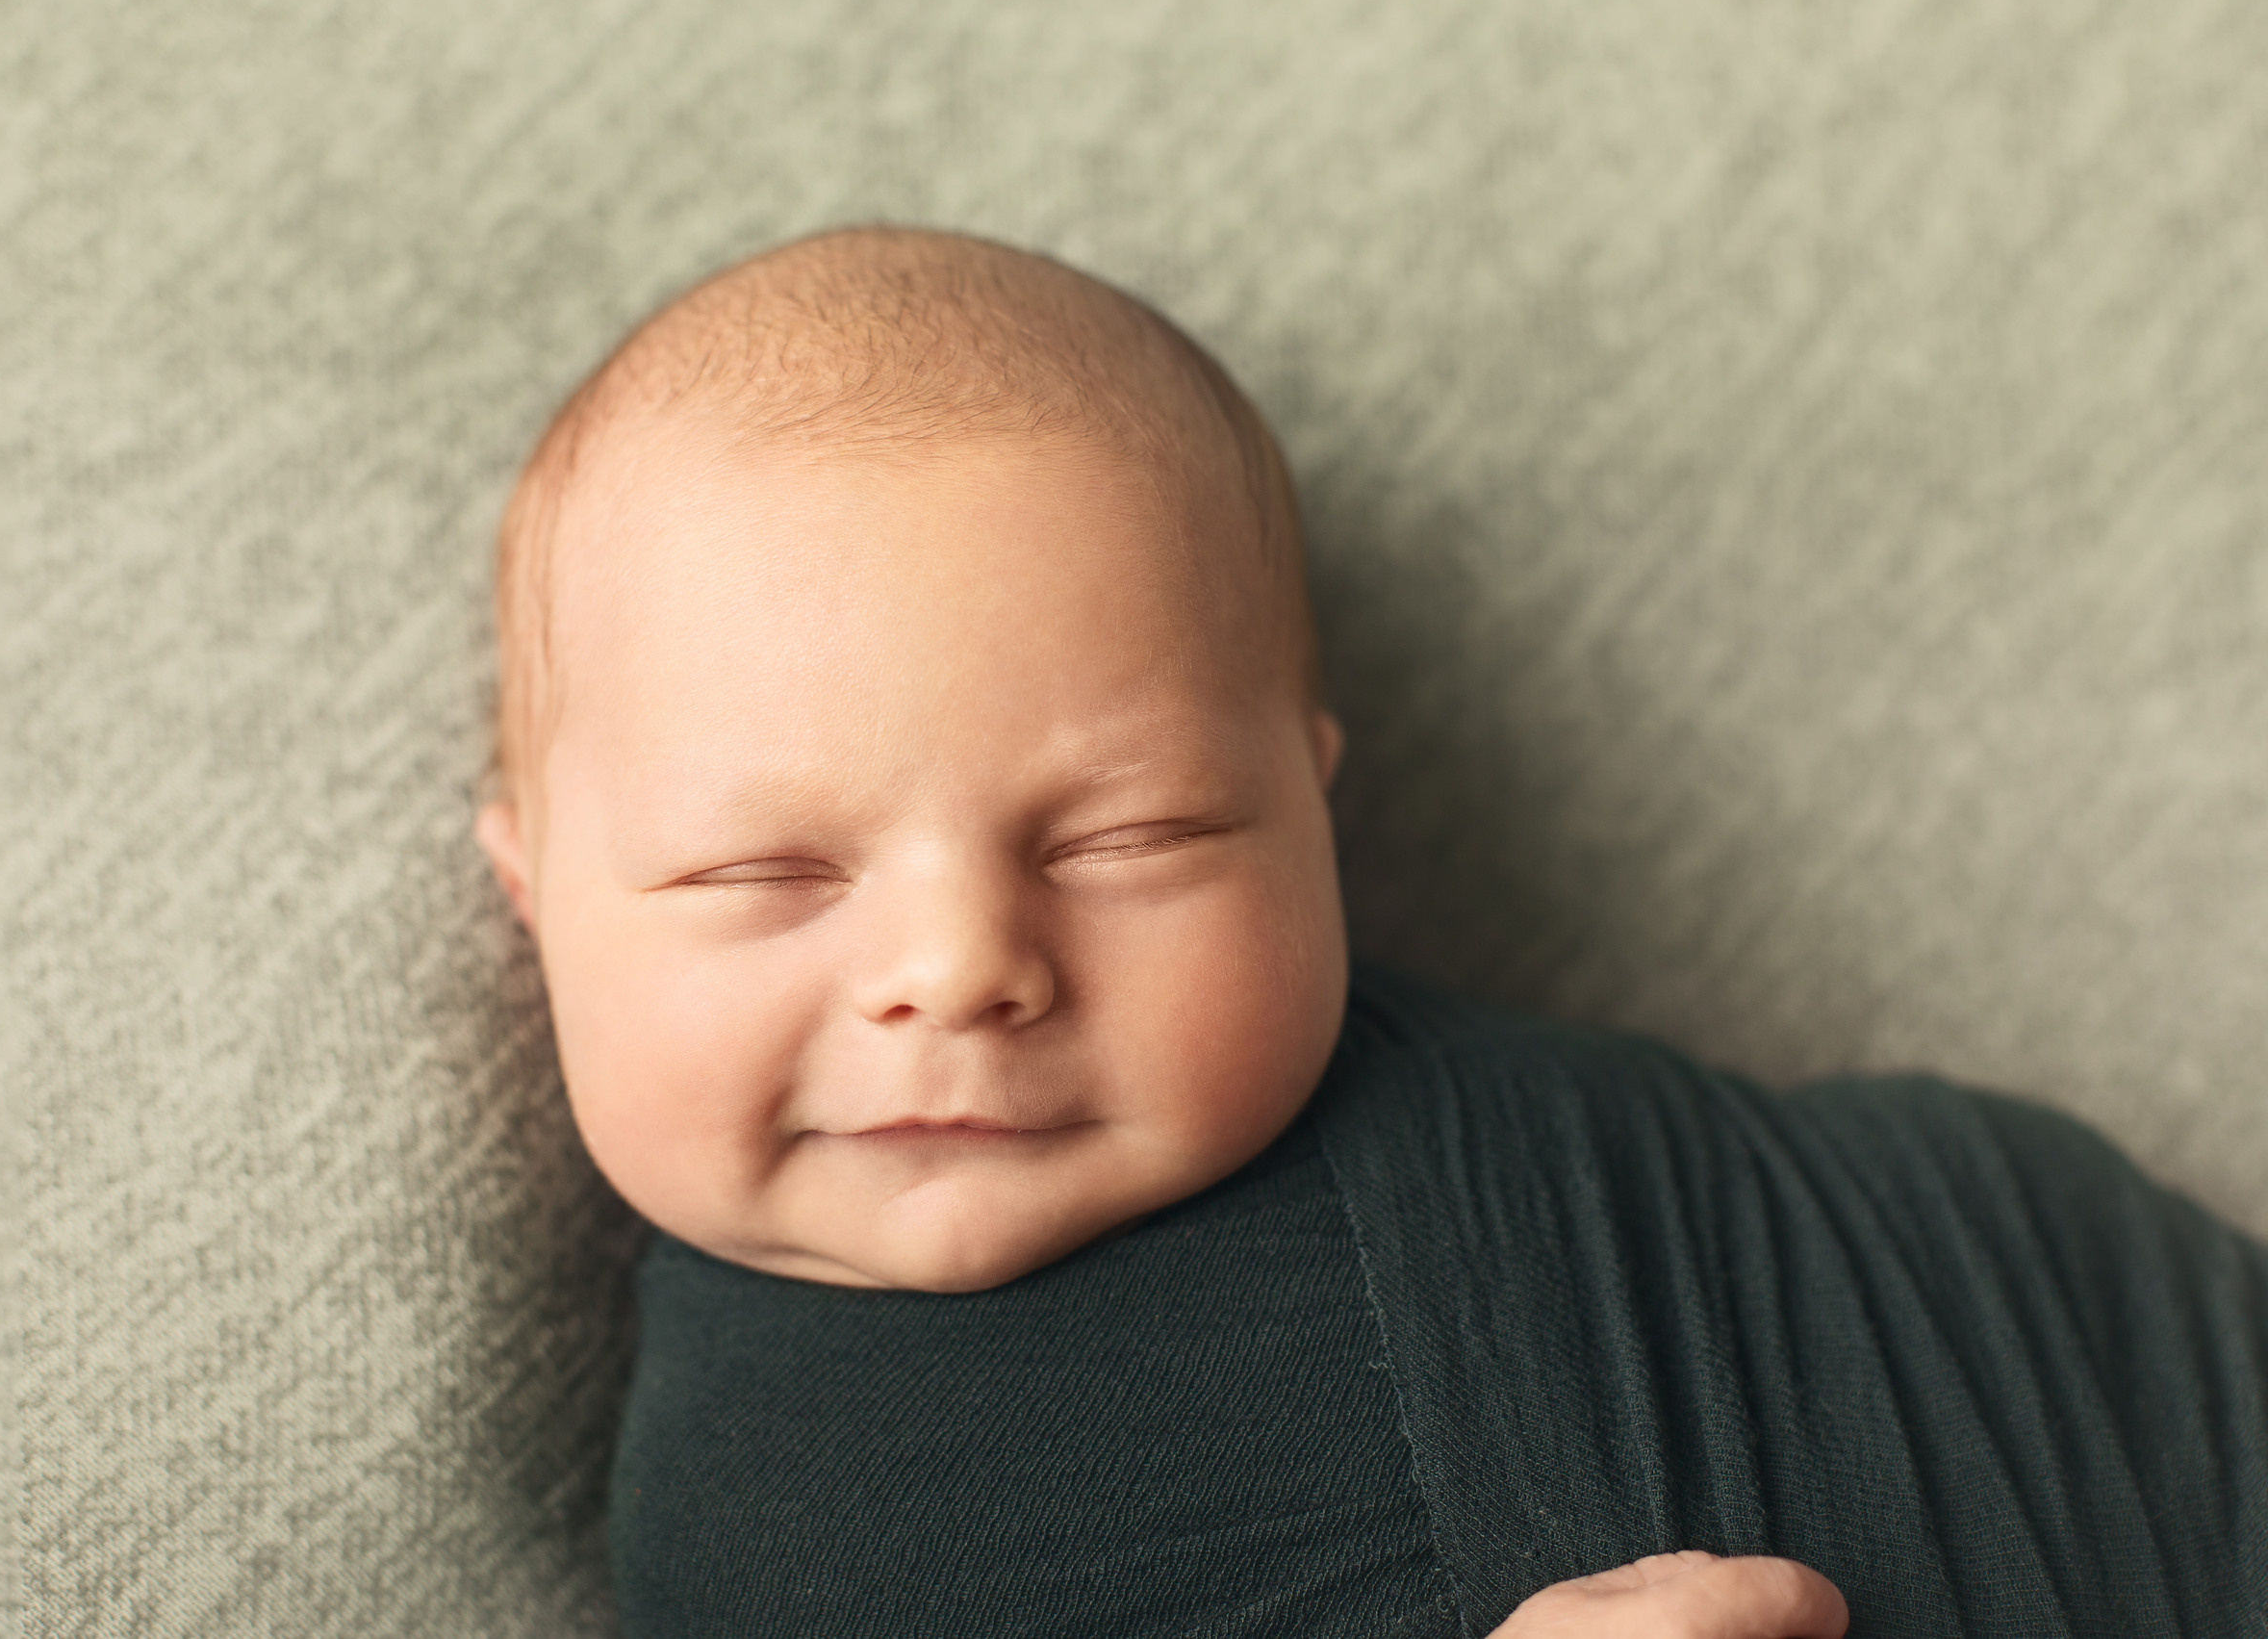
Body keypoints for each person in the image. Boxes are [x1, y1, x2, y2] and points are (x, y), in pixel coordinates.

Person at [472, 226, 2268, 1637]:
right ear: (536, 894)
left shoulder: (1469, 1142)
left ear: (1312, 817)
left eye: (1132, 835)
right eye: (763, 876)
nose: (957, 965)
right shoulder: (756, 1531)